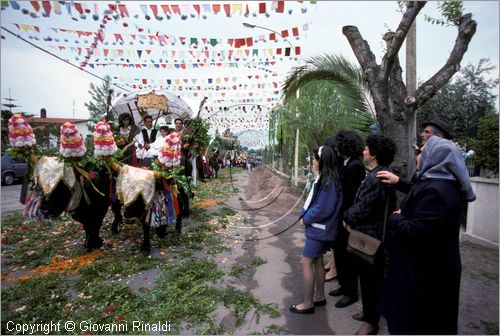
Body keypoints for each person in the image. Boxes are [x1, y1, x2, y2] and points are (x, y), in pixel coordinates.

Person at [377, 135, 475, 335]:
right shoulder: (437, 182)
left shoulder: (439, 191)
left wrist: (395, 218)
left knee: (414, 324)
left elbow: (416, 230)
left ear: (435, 156)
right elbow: (416, 191)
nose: (418, 156)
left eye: (421, 152)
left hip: (423, 277)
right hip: (422, 271)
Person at [343, 133, 397, 335]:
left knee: (371, 282)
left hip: (372, 238)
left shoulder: (377, 177)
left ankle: (371, 322)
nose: (363, 151)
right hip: (370, 234)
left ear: (374, 153)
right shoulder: (377, 173)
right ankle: (368, 313)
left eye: (367, 148)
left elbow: (364, 207)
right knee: (367, 280)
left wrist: (346, 215)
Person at [290, 146, 342, 314]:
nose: (312, 162)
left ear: (321, 161)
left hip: (319, 229)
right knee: (318, 260)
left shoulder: (328, 182)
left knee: (306, 262)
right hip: (321, 229)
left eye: (313, 159)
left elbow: (322, 208)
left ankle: (307, 303)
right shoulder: (327, 179)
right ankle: (320, 296)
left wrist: (306, 218)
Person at [325, 131, 366, 308]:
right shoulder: (346, 163)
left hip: (347, 219)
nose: (336, 148)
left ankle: (351, 292)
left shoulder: (355, 166)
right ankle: (344, 285)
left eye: (339, 144)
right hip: (341, 216)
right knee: (340, 253)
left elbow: (352, 196)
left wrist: (347, 218)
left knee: (348, 257)